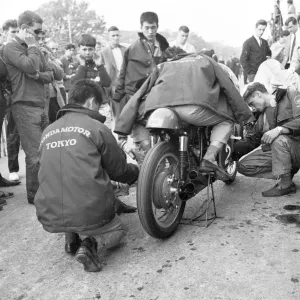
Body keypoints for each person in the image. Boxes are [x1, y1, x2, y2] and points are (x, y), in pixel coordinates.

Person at [34, 79, 139, 272]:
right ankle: (91, 244)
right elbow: (119, 171)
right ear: (91, 102)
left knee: (69, 179)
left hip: (49, 212)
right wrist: (138, 172)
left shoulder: (48, 131)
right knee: (119, 230)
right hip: (88, 211)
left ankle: (70, 238)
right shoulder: (96, 127)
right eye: (99, 106)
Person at [114, 53, 254, 180]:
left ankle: (150, 160)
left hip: (157, 107)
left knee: (140, 122)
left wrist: (122, 129)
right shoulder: (207, 61)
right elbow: (229, 88)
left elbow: (140, 92)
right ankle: (209, 158)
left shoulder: (164, 65)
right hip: (192, 108)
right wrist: (245, 117)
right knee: (227, 120)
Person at [3, 11, 54, 204]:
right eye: (37, 31)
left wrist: (39, 76)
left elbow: (50, 74)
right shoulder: (11, 47)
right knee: (34, 155)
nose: (40, 35)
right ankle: (34, 194)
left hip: (40, 105)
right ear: (25, 29)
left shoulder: (34, 48)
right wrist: (34, 49)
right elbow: (31, 66)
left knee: (45, 152)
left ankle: (44, 190)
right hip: (23, 107)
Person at [113, 11, 169, 155]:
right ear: (141, 27)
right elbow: (122, 75)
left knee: (161, 146)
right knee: (144, 147)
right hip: (135, 101)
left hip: (158, 101)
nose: (150, 31)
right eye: (147, 28)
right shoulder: (132, 49)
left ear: (158, 27)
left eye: (153, 27)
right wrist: (118, 99)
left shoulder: (165, 49)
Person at [236, 81, 300, 197]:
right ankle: (286, 173)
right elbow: (252, 141)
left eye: (252, 103)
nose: (253, 108)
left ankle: (286, 185)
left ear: (258, 94)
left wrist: (280, 129)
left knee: (278, 139)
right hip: (284, 151)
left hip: (296, 146)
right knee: (243, 165)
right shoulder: (262, 116)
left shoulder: (289, 93)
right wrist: (229, 150)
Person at [1, 19, 20, 182]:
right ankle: (12, 169)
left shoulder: (22, 49)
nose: (15, 35)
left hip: (24, 94)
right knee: (12, 133)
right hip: (9, 98)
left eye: (17, 31)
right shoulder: (2, 51)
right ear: (5, 33)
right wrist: (8, 94)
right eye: (12, 32)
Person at [100, 26, 127, 125]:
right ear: (109, 37)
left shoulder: (126, 50)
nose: (116, 38)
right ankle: (120, 135)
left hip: (127, 83)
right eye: (113, 36)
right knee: (117, 111)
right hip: (113, 85)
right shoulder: (103, 53)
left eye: (117, 35)